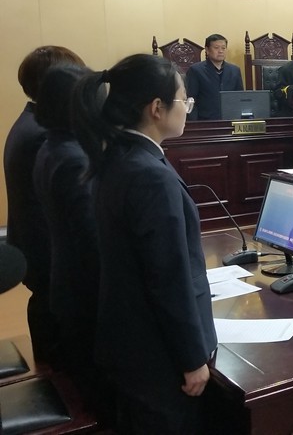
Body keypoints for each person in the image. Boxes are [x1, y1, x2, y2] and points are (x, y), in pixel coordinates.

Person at [71, 54, 217, 433]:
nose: (187, 108)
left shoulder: (117, 155)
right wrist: (192, 357)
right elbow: (166, 278)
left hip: (129, 338)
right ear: (156, 108)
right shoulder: (150, 175)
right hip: (156, 353)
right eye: (184, 100)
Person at [32, 63, 113, 421]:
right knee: (102, 397)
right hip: (86, 294)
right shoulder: (74, 159)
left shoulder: (54, 145)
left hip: (68, 283)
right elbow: (93, 241)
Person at [3, 45, 84, 365]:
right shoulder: (44, 133)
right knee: (63, 358)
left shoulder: (29, 121)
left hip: (35, 248)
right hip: (49, 253)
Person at [184, 33, 244, 121]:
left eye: (223, 48)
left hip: (230, 119)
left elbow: (240, 97)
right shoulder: (195, 70)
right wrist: (195, 124)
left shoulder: (235, 70)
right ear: (207, 50)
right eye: (216, 48)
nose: (220, 51)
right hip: (205, 120)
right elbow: (191, 99)